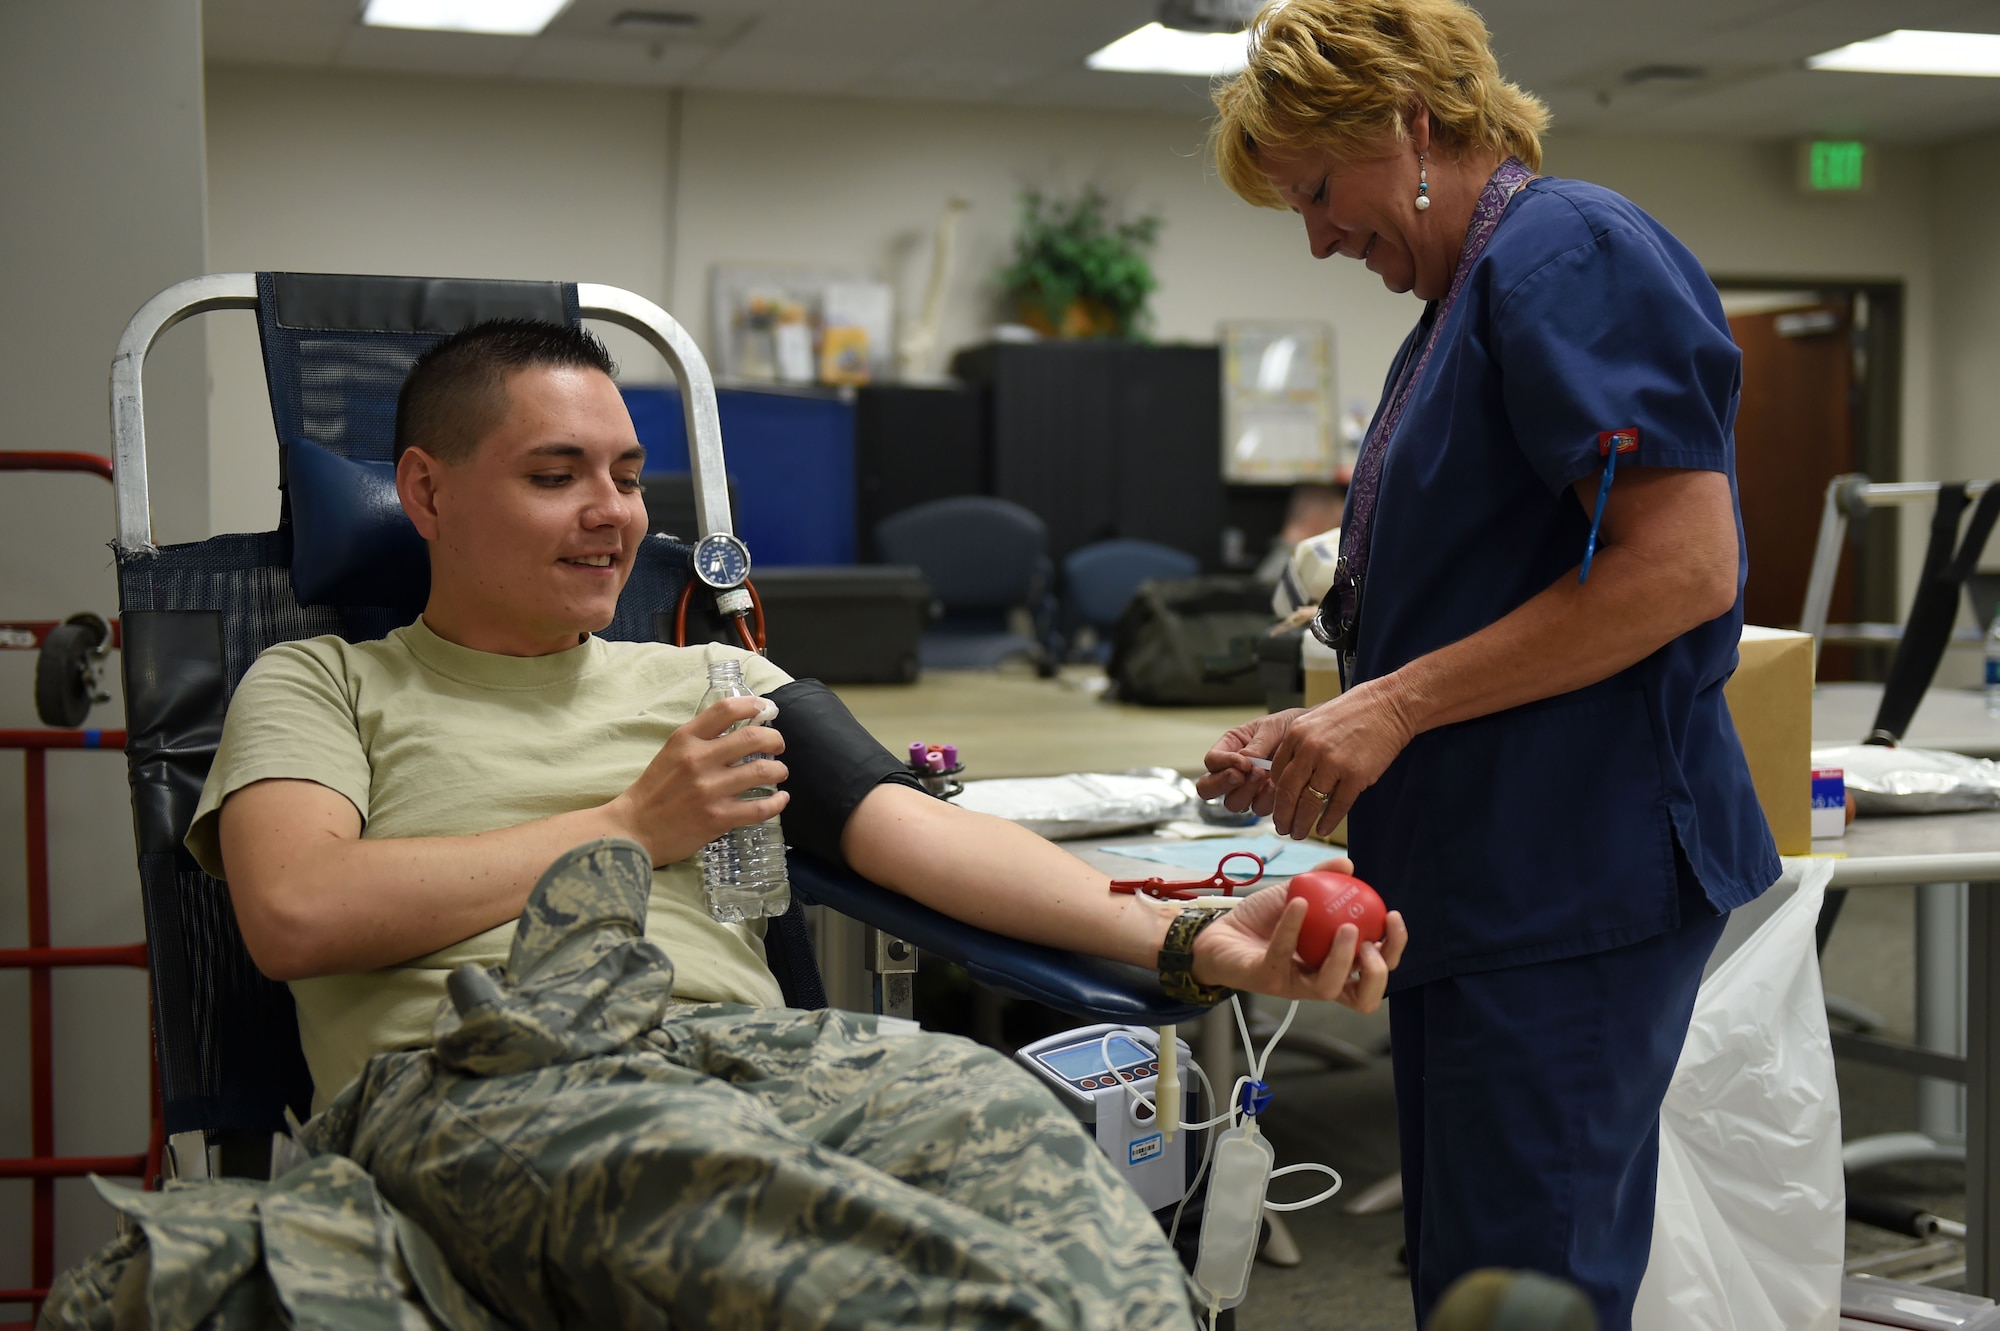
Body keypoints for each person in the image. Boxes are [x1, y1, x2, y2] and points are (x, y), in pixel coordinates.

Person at [148, 319, 1408, 1328]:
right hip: (485, 1078)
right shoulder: (325, 684)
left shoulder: (715, 681)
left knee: (1006, 1127)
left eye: (630, 476)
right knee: (814, 1243)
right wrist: (631, 824)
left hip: (752, 1064)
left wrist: (1196, 938)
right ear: (422, 490)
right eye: (555, 475)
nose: (614, 513)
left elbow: (922, 837)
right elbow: (295, 913)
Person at [1196, 2, 1778, 1328]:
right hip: (1496, 874)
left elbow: (1683, 567)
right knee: (1475, 1273)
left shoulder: (1567, 252)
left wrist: (1392, 704)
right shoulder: (1470, 291)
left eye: (1320, 190)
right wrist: (1339, 716)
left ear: (1409, 124)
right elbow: (1492, 581)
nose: (1321, 235)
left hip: (1572, 876)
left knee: (1524, 1286)